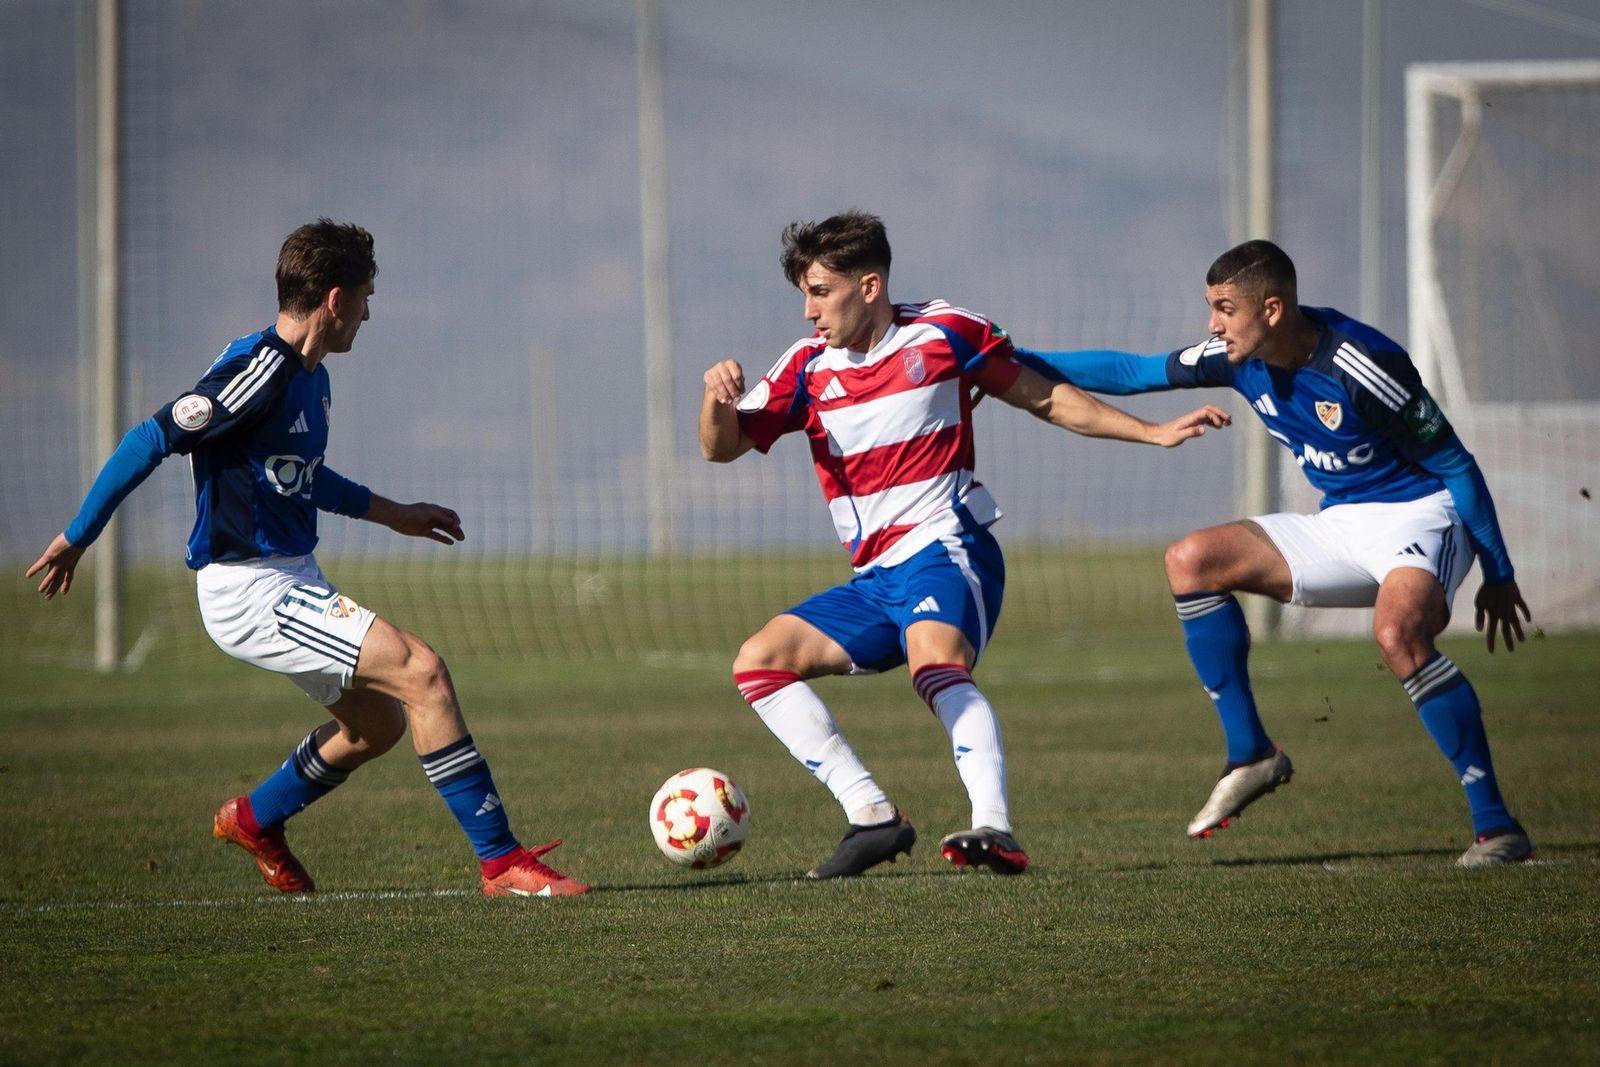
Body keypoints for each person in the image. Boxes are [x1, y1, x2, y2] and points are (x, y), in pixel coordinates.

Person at [28, 219, 588, 897]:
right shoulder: (257, 370)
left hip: (290, 576)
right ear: (333, 299)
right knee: (424, 672)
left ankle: (255, 819)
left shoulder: (310, 378)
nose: (369, 313)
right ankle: (502, 862)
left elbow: (302, 475)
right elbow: (153, 435)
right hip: (249, 586)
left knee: (376, 724)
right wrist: (79, 533)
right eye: (365, 297)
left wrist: (395, 513)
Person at [699, 211, 1230, 878]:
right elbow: (721, 449)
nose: (808, 311)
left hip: (949, 548)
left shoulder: (946, 333)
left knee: (934, 665)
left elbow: (1048, 399)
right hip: (875, 579)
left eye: (820, 292)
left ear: (869, 286)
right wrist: (717, 400)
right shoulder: (805, 367)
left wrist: (1151, 433)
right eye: (803, 294)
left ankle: (995, 827)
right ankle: (872, 816)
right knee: (759, 661)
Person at [1017, 239, 1534, 867]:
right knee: (1190, 559)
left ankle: (1496, 827)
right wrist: (1002, 358)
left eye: (1224, 309)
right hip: (1340, 521)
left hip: (1421, 515)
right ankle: (1251, 754)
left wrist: (1499, 574)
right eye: (1210, 308)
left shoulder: (1363, 364)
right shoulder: (1236, 356)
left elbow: (1456, 464)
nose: (1212, 324)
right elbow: (1133, 372)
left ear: (1272, 308)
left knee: (1398, 636)